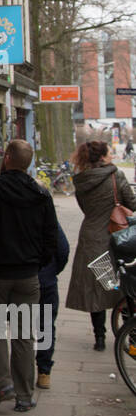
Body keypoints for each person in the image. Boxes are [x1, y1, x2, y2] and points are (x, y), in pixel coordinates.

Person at [0, 138, 59, 412]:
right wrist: (37, 263)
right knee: (24, 334)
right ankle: (24, 394)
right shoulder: (41, 195)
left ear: (7, 158)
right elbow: (51, 237)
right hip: (27, 275)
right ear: (28, 164)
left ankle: (1, 383)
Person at [66, 139, 136, 349]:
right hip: (116, 239)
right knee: (123, 287)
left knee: (96, 286)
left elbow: (85, 208)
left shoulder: (81, 181)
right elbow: (131, 203)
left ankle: (99, 338)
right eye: (109, 153)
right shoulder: (115, 176)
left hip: (91, 238)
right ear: (103, 156)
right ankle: (130, 335)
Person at [35, 222, 70, 389]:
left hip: (19, 277)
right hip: (45, 280)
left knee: (20, 325)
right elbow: (63, 249)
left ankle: (21, 370)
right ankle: (44, 372)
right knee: (46, 326)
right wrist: (51, 271)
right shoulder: (45, 209)